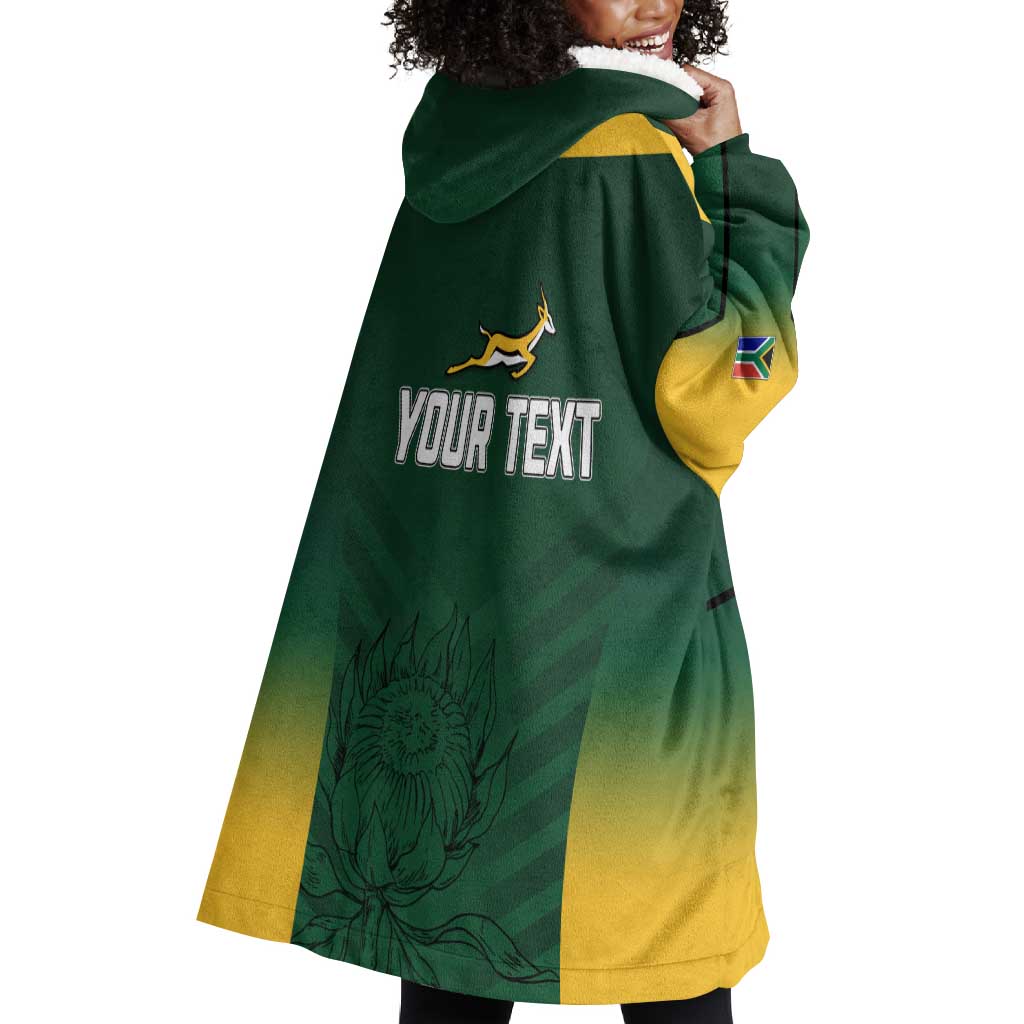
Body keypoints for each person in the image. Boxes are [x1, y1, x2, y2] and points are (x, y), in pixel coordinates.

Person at [196, 1, 810, 1021]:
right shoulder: (628, 149)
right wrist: (746, 193)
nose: (654, 3)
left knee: (454, 930)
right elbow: (725, 385)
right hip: (618, 650)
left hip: (447, 652)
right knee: (670, 943)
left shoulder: (456, 140)